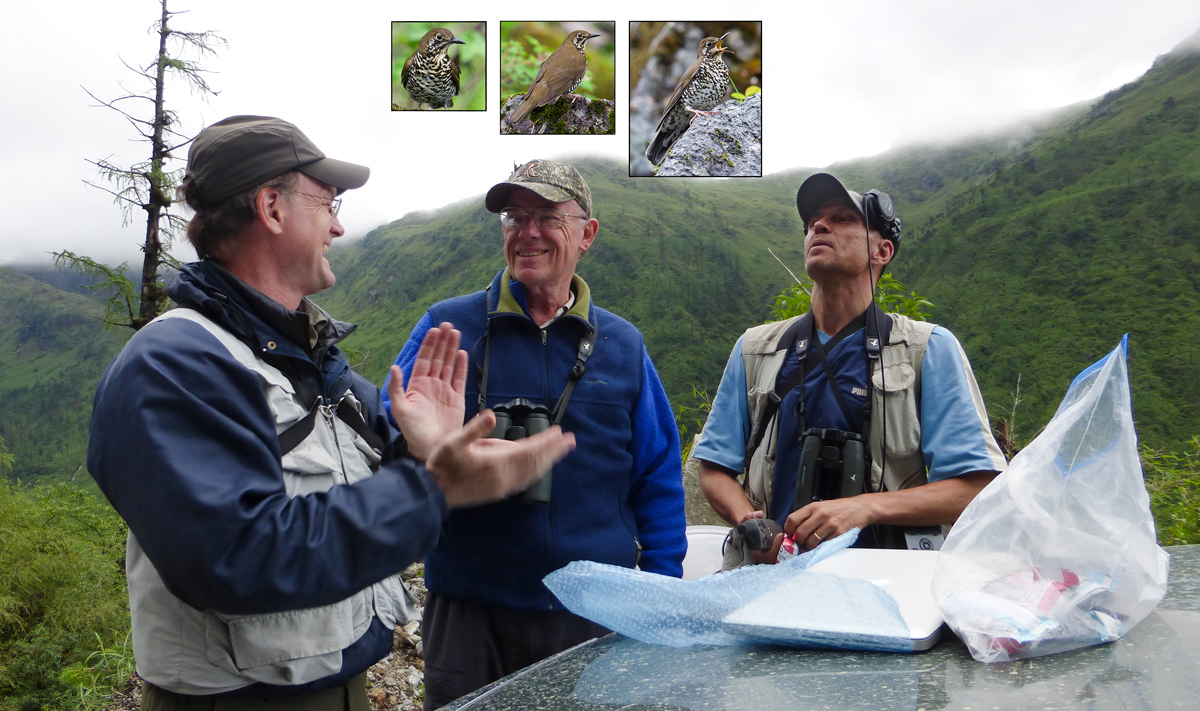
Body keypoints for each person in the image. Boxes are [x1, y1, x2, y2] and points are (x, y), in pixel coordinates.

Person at [86, 115, 575, 710]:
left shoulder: (303, 353)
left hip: (337, 685)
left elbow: (359, 475)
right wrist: (435, 489)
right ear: (271, 207)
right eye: (328, 203)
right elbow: (236, 557)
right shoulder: (174, 365)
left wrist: (419, 448)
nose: (340, 225)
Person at [382, 159, 687, 709]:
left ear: (586, 234)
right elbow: (386, 437)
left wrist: (658, 591)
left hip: (595, 612)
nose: (527, 232)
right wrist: (418, 444)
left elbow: (657, 473)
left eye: (547, 216)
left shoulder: (623, 345)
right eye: (513, 216)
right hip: (470, 614)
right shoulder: (449, 327)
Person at [695, 172, 1007, 569]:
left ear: (882, 252)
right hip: (765, 582)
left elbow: (977, 487)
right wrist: (752, 525)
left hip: (890, 586)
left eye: (843, 218)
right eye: (812, 223)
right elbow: (715, 467)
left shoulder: (926, 349)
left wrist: (865, 508)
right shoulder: (756, 349)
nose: (819, 226)